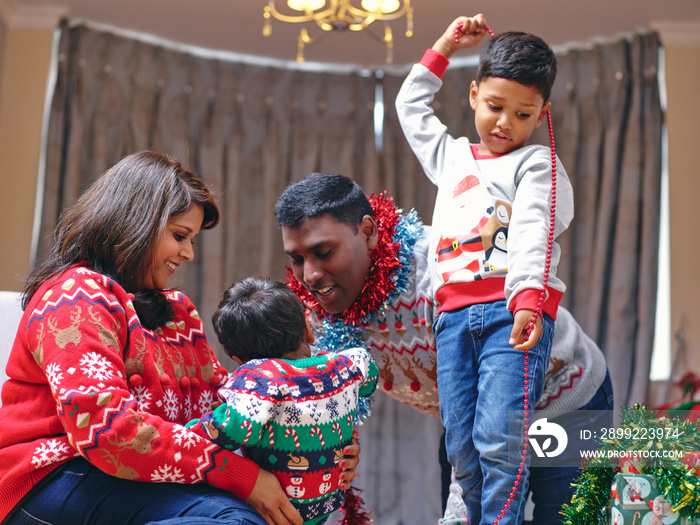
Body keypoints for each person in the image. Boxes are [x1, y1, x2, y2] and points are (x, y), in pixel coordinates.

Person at [0, 151, 359, 525]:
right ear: (134, 223)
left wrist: (322, 444)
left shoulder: (178, 312)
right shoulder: (75, 295)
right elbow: (108, 432)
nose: (188, 253)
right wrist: (243, 477)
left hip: (139, 480)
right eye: (179, 235)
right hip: (48, 477)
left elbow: (231, 401)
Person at [274, 172, 612, 525]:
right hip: (466, 421)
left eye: (323, 252)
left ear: (369, 231)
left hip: (564, 399)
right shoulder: (316, 308)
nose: (309, 275)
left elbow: (492, 421)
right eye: (297, 259)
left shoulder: (448, 273)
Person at [395, 13, 576, 524]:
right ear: (473, 93)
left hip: (508, 314)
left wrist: (527, 301)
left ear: (543, 113)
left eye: (523, 114)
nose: (505, 124)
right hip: (451, 319)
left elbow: (533, 231)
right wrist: (446, 44)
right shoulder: (452, 158)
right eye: (495, 106)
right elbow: (409, 105)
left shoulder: (534, 165)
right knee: (463, 448)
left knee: (500, 439)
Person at [187, 277, 378, 525]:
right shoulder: (346, 364)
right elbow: (370, 378)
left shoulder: (260, 379)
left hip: (274, 510)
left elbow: (230, 429)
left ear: (239, 360)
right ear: (307, 330)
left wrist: (183, 434)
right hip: (325, 504)